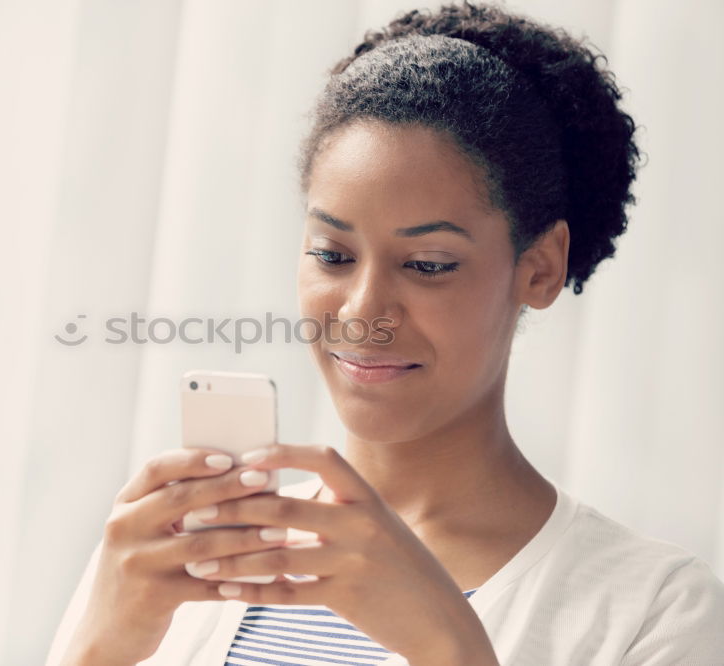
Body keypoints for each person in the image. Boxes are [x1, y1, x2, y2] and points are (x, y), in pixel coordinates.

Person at [46, 2, 724, 664]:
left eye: (428, 265)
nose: (363, 311)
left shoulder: (656, 612)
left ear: (539, 269)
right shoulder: (180, 561)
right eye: (332, 255)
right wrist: (99, 648)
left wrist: (448, 647)